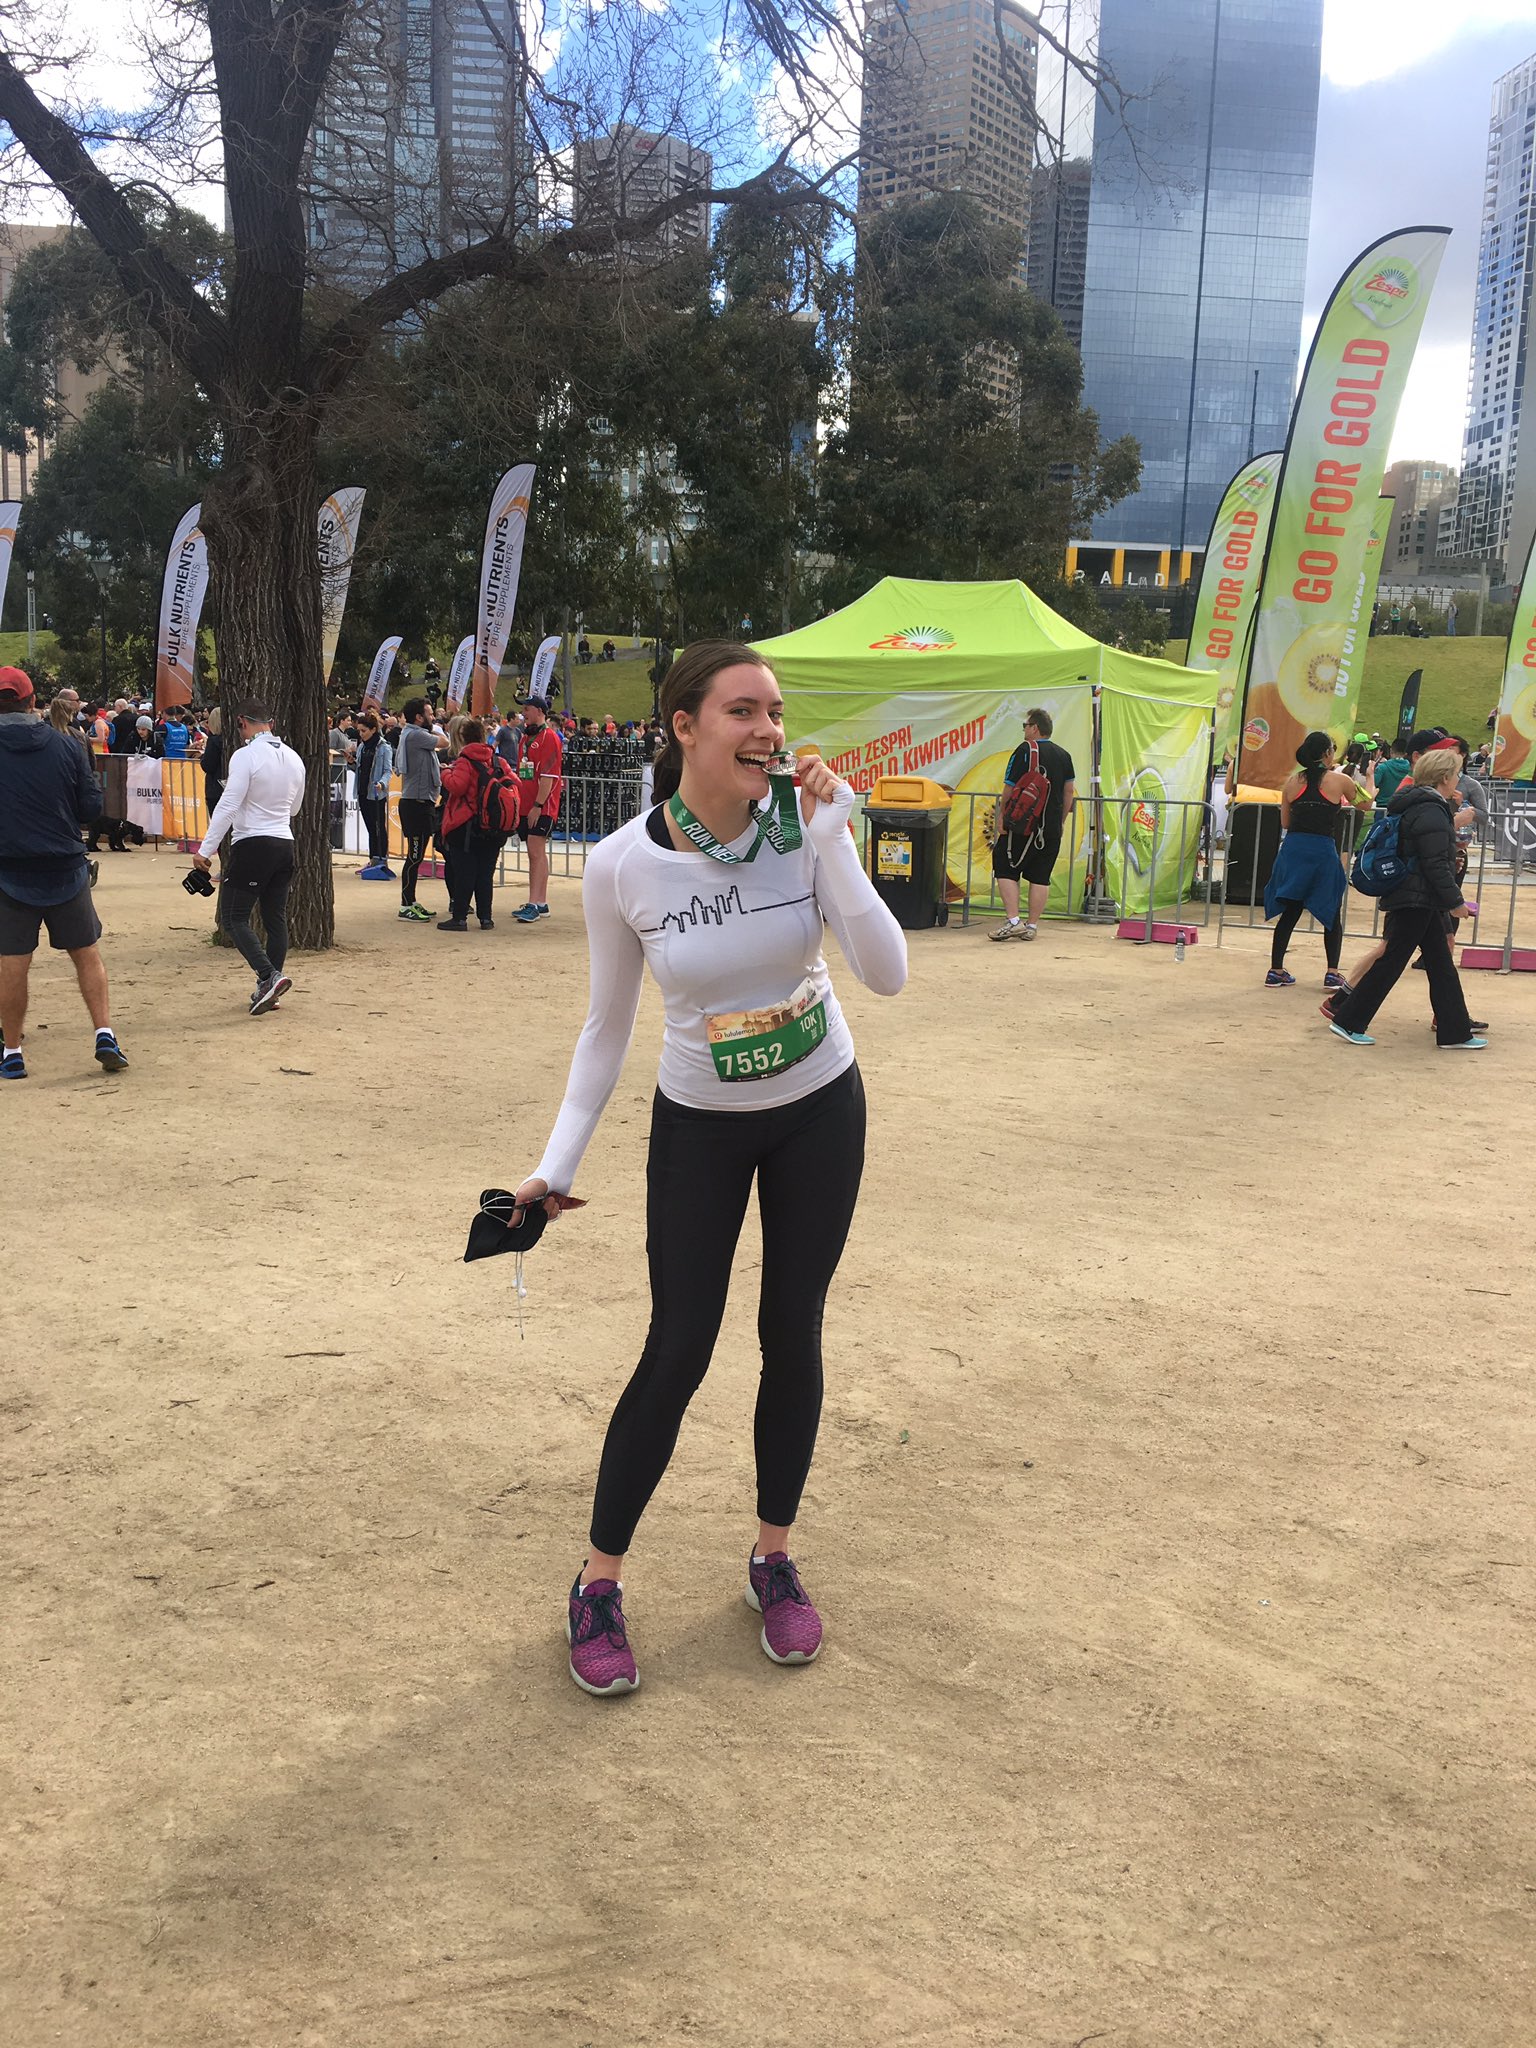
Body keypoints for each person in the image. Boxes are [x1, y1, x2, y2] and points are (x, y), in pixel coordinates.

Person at [505, 642, 908, 1696]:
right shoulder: (621, 865)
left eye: (775, 709)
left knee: (792, 1330)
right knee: (679, 1346)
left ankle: (773, 1558)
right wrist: (554, 1166)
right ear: (685, 726)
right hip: (702, 1124)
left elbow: (888, 974)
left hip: (820, 1108)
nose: (768, 729)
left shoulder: (803, 829)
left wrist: (835, 840)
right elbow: (605, 1027)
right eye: (743, 710)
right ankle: (598, 1583)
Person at [0, 666, 128, 1078]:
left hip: (10, 870)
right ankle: (104, 1033)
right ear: (32, 701)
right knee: (86, 953)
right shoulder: (67, 745)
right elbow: (90, 807)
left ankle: (12, 1051)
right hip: (65, 865)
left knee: (12, 963)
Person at [1328, 749, 1485, 1050]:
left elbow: (1430, 859)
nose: (1458, 779)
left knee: (1438, 964)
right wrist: (1455, 902)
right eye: (1456, 774)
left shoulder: (1418, 805)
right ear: (1444, 777)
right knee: (1396, 962)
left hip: (1416, 895)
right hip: (1417, 897)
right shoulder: (1431, 810)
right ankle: (1349, 1019)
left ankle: (1454, 1032)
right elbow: (1434, 863)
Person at [193, 701, 306, 1016]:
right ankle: (269, 988)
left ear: (242, 721)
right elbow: (295, 808)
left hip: (253, 842)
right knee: (275, 919)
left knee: (233, 916)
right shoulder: (294, 758)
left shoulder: (245, 756)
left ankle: (269, 976)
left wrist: (205, 849)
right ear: (271, 722)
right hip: (284, 842)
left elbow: (228, 805)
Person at [1261, 733, 1359, 990]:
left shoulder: (1292, 782)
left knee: (1291, 909)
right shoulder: (1340, 780)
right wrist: (1367, 780)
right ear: (1327, 753)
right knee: (1330, 909)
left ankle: (1275, 970)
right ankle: (1332, 972)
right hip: (1322, 850)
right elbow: (1366, 803)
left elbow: (1285, 822)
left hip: (1294, 849)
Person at [989, 707, 1076, 941]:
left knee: (1004, 865)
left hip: (1022, 824)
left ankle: (1013, 921)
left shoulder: (1025, 751)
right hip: (1051, 827)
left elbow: (1010, 787)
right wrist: (1060, 821)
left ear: (1035, 728)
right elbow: (1069, 792)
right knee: (1041, 876)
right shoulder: (1064, 755)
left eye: (1025, 726)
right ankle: (1032, 926)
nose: (1024, 730)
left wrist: (1002, 816)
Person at [437, 716, 513, 931]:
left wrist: (445, 772)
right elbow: (513, 783)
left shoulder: (464, 761)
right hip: (493, 826)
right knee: (485, 874)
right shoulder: (498, 761)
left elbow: (457, 786)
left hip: (466, 826)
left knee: (465, 873)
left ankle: (459, 918)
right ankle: (486, 918)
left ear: (463, 737)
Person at [511, 695, 563, 925]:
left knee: (535, 851)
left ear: (540, 711)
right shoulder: (525, 738)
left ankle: (534, 903)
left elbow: (548, 777)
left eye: (528, 709)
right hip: (528, 803)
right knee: (536, 852)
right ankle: (540, 902)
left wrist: (537, 806)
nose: (524, 713)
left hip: (542, 805)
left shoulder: (548, 737)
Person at [394, 696, 441, 923]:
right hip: (415, 804)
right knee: (413, 857)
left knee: (418, 855)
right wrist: (438, 730)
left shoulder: (414, 734)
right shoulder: (415, 735)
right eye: (430, 714)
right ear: (419, 717)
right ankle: (405, 905)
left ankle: (411, 901)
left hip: (422, 802)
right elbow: (445, 742)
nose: (433, 718)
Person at [353, 710, 394, 880]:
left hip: (376, 792)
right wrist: (351, 762)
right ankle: (373, 859)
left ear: (373, 730)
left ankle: (382, 859)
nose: (361, 734)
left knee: (378, 827)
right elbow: (359, 767)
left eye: (364, 731)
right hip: (363, 791)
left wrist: (382, 783)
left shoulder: (384, 747)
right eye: (359, 731)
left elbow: (388, 770)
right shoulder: (362, 747)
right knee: (370, 827)